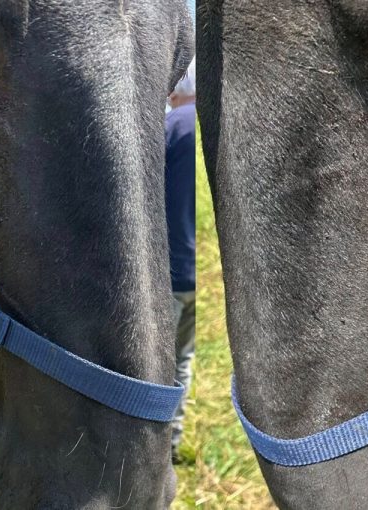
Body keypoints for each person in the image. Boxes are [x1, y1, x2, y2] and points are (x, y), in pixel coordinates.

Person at [165, 58, 196, 461]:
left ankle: (146, 448)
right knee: (182, 359)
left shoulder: (171, 126)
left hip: (168, 269)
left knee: (153, 359)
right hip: (197, 275)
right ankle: (172, 441)